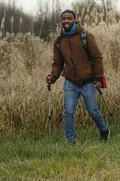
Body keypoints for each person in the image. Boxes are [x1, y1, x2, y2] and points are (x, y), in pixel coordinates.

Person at [46, 9, 110, 144]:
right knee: (68, 111)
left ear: (75, 20)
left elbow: (98, 58)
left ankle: (104, 130)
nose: (66, 21)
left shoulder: (86, 36)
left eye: (69, 18)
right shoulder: (58, 41)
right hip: (70, 82)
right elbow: (57, 63)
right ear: (61, 21)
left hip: (88, 81)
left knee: (92, 110)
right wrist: (53, 76)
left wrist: (98, 78)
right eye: (64, 19)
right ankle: (71, 141)